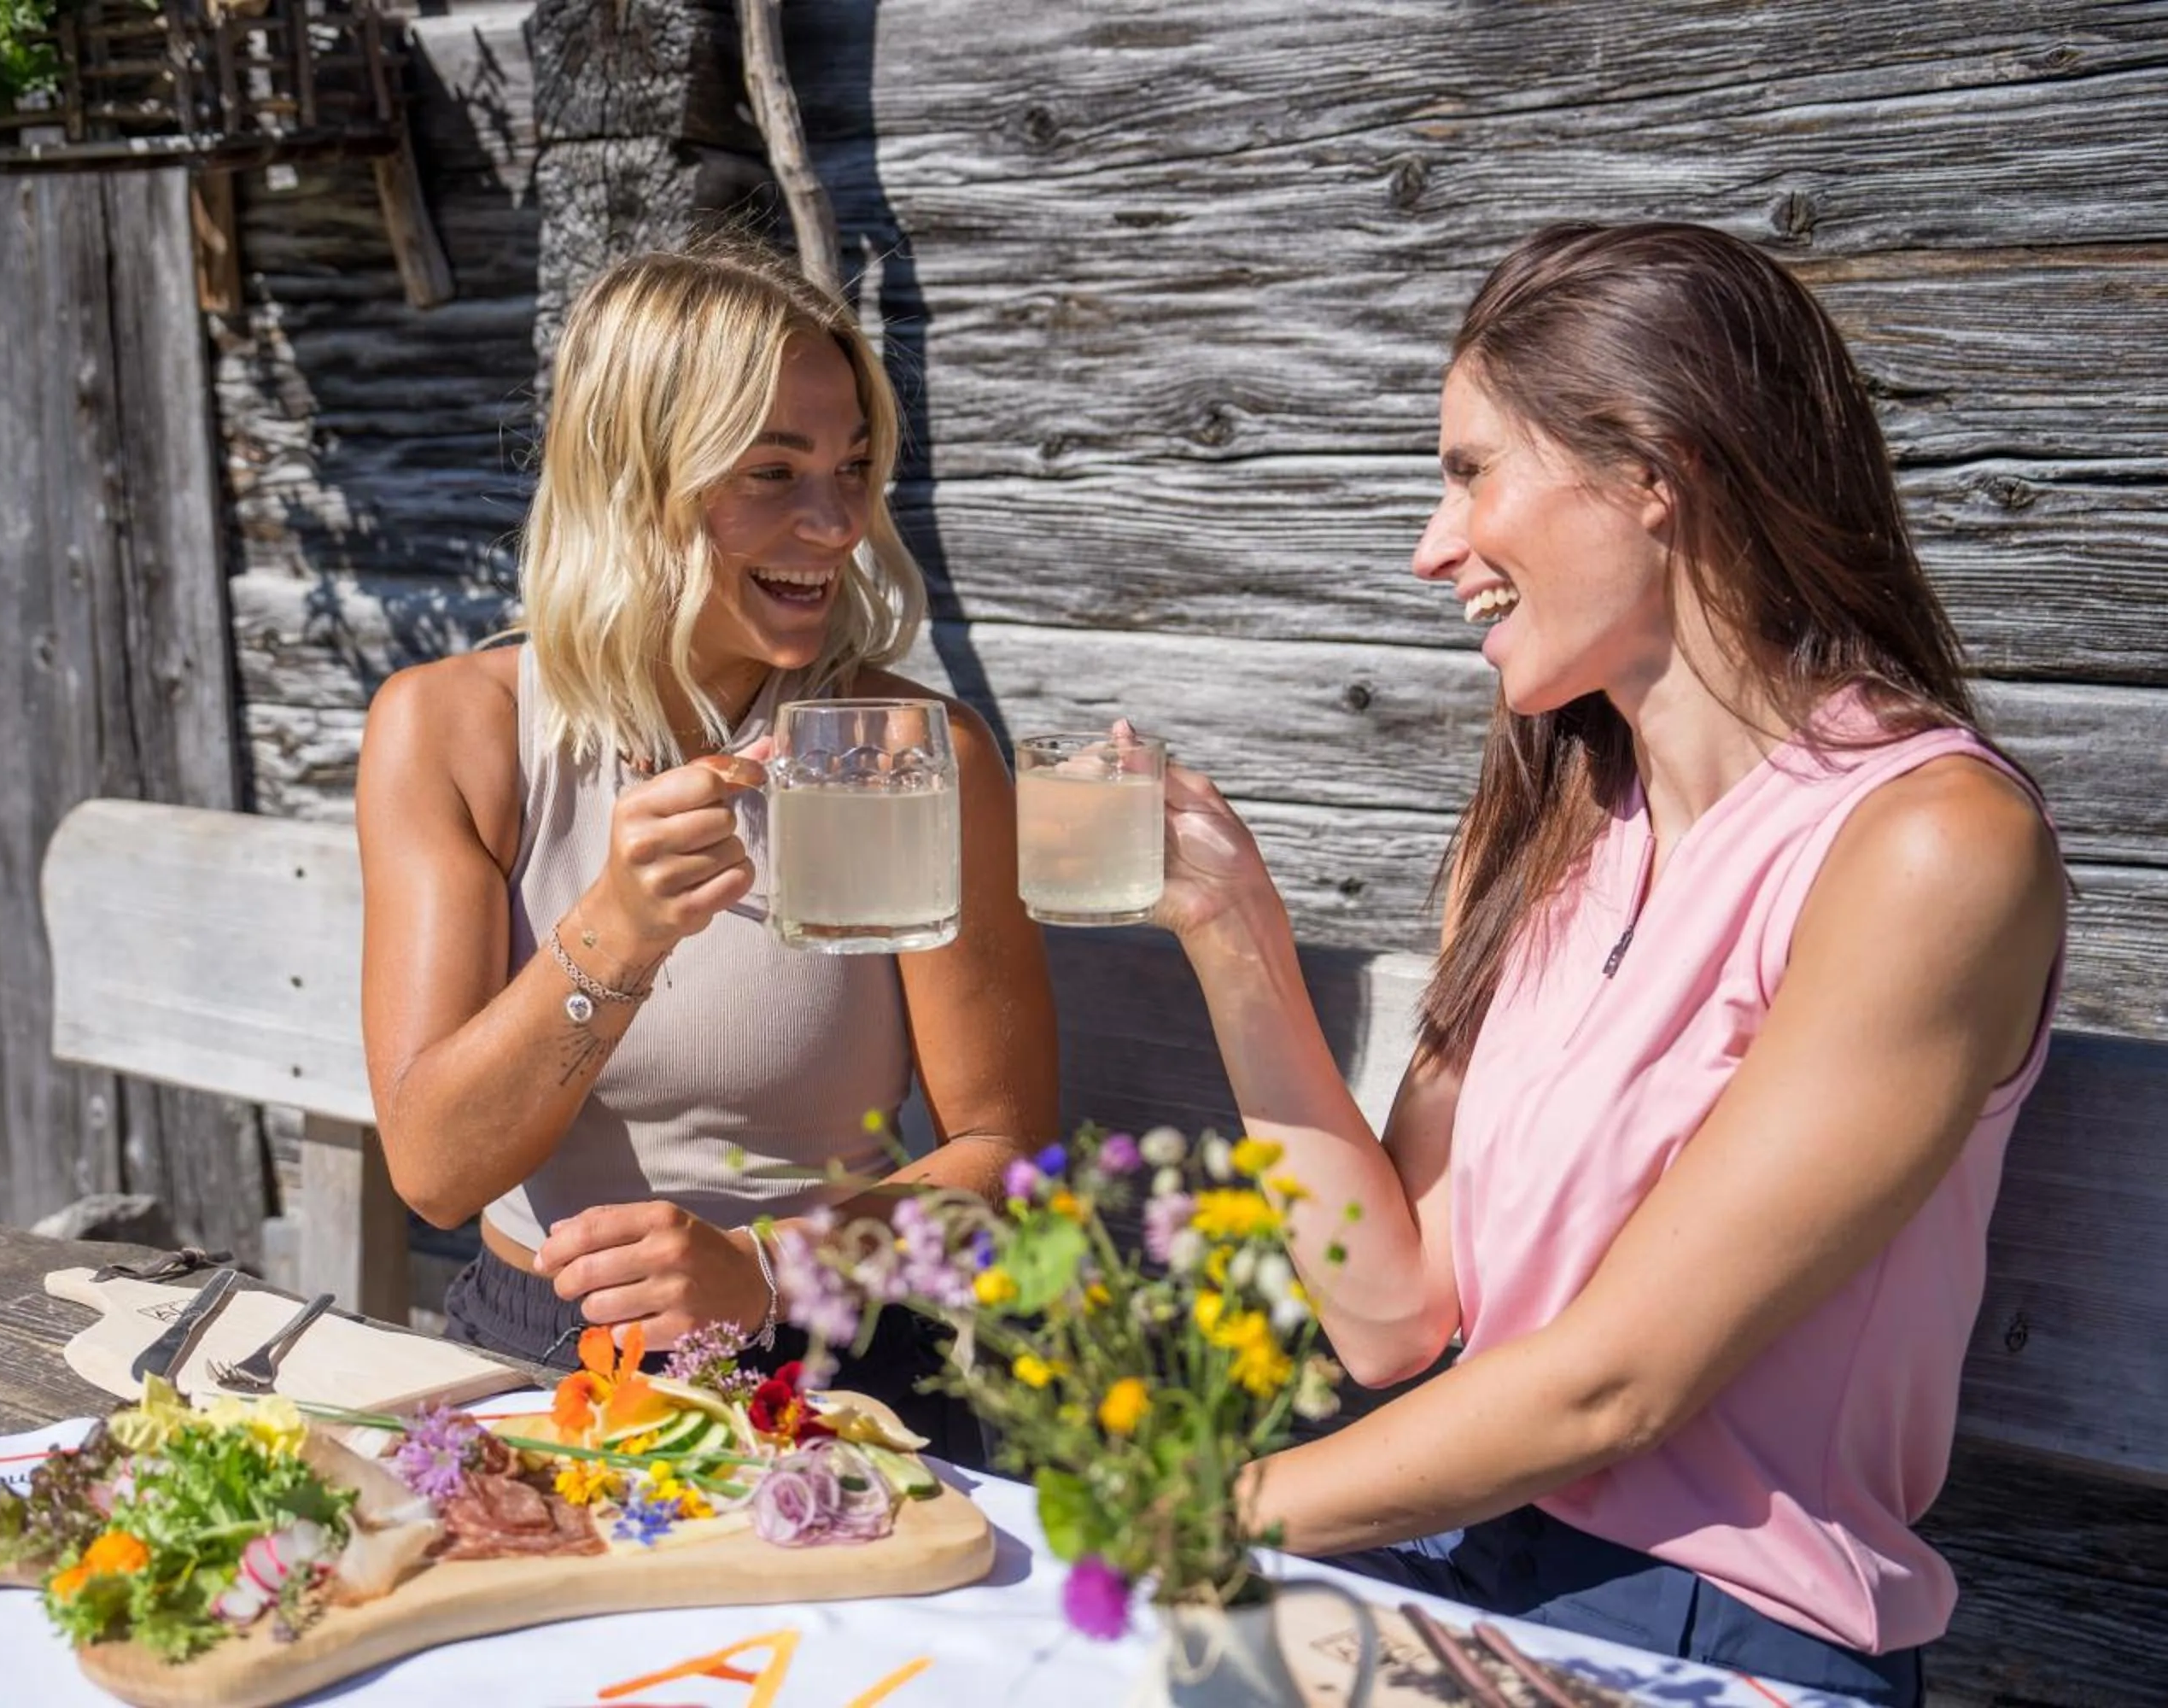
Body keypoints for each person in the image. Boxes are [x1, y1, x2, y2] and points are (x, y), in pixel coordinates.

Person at [1154, 223, 2064, 1704]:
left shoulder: (1929, 849)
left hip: (1720, 1630)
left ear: (1656, 470)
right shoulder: (1549, 832)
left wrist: (1192, 1521)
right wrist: (1233, 938)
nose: (1432, 546)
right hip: (1454, 1565)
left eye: (1471, 472)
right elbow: (1390, 1318)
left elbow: (1613, 1384)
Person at [354, 239, 1056, 1462]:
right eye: (773, 471)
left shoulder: (908, 749)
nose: (834, 524)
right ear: (634, 481)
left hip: (847, 1373)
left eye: (851, 468)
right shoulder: (455, 730)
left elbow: (1008, 1157)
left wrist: (771, 1268)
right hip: (535, 1356)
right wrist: (616, 931)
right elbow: (435, 1170)